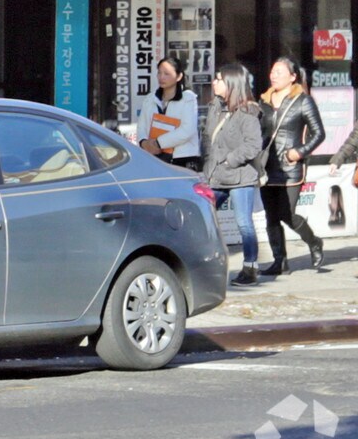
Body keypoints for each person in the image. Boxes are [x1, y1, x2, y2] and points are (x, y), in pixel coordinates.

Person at [205, 61, 269, 285]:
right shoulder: (216, 106)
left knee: (243, 223)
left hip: (241, 176)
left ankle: (250, 267)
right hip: (216, 175)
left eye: (219, 79)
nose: (214, 82)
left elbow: (253, 146)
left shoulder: (248, 111)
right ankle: (207, 265)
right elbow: (209, 141)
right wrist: (209, 168)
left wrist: (230, 160)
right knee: (204, 215)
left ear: (231, 84)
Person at [262, 56, 327, 274]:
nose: (273, 75)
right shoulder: (264, 101)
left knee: (287, 214)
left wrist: (300, 151)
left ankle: (314, 242)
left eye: (279, 72)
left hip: (290, 167)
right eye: (272, 71)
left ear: (292, 77)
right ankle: (279, 261)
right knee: (271, 216)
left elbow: (319, 133)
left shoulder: (302, 100)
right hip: (267, 167)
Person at [132, 55, 202, 170]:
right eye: (159, 73)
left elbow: (187, 130)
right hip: (155, 157)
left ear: (179, 76)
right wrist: (144, 143)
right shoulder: (150, 99)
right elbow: (141, 127)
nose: (161, 77)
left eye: (166, 74)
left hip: (181, 158)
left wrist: (159, 143)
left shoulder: (188, 98)